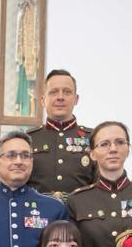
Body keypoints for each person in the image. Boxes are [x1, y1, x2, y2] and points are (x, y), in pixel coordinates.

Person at [27, 69, 93, 199]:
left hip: (79, 215)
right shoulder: (28, 139)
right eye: (53, 92)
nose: (60, 97)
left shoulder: (93, 138)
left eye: (67, 92)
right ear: (42, 100)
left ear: (76, 99)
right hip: (38, 213)